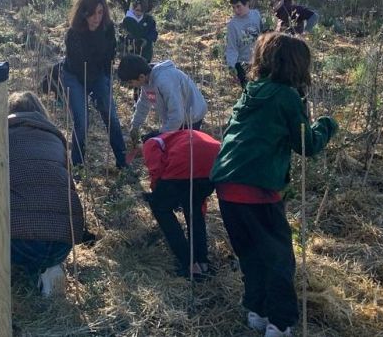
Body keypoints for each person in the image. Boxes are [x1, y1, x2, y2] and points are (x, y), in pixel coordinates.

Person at [210, 33, 338, 337]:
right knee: (279, 258)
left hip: (227, 186)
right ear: (297, 66)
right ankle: (279, 324)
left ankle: (257, 309)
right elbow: (306, 144)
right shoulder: (286, 96)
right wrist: (327, 125)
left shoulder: (252, 90)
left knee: (251, 253)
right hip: (259, 189)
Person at [0, 91, 84, 296]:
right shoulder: (57, 139)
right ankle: (50, 267)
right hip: (62, 243)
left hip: (16, 243)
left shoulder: (2, 132)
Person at [60, 0, 127, 169]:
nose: (96, 18)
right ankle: (78, 165)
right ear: (83, 13)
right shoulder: (73, 34)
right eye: (91, 13)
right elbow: (79, 64)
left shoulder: (108, 29)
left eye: (100, 12)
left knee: (110, 114)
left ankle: (123, 162)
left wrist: (103, 88)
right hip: (74, 76)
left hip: (97, 74)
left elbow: (109, 57)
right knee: (82, 121)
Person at [141, 130, 220, 279]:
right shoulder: (179, 136)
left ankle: (189, 264)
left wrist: (156, 193)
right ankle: (202, 262)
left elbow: (156, 171)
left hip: (185, 164)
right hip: (214, 165)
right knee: (194, 211)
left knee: (160, 208)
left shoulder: (153, 142)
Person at [117, 54, 207, 145]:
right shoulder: (146, 83)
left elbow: (177, 115)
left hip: (192, 116)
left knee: (183, 149)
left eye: (130, 82)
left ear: (141, 77)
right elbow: (143, 104)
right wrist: (135, 126)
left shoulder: (164, 81)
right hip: (176, 118)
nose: (130, 85)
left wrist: (161, 135)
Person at [226, 0, 262, 88]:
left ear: (247, 4)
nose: (236, 10)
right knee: (248, 90)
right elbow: (232, 47)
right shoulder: (232, 25)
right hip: (243, 64)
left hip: (259, 61)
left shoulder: (257, 15)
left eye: (238, 6)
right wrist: (231, 66)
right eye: (233, 7)